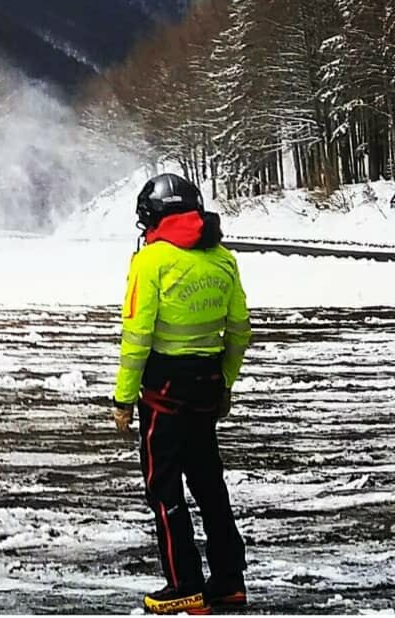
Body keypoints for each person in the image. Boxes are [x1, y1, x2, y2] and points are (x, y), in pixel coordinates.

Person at [112, 172, 252, 616]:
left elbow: (137, 336)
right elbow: (239, 332)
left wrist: (123, 398)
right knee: (210, 484)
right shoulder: (223, 260)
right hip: (208, 384)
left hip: (163, 391)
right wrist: (226, 383)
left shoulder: (151, 263)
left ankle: (184, 583)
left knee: (163, 487)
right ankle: (229, 581)